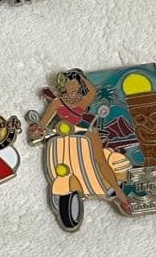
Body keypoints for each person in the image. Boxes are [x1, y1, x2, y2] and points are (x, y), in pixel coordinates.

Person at [30, 69, 133, 214]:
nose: (73, 88)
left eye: (76, 85)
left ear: (80, 85)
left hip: (87, 131)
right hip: (65, 134)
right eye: (69, 85)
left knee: (100, 161)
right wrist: (37, 130)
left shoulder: (82, 100)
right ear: (63, 86)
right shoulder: (57, 102)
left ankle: (121, 197)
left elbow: (92, 91)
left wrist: (80, 75)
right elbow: (44, 122)